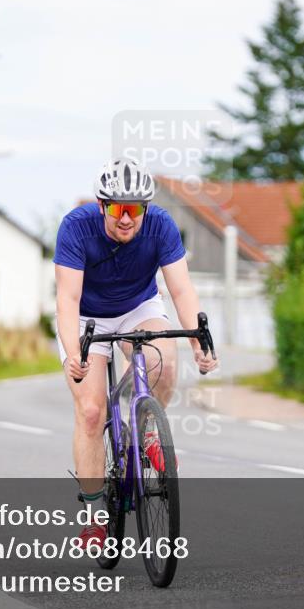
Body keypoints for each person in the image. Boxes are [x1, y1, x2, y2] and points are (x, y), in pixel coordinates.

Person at [53, 158, 219, 548]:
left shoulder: (161, 225)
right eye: (117, 209)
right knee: (91, 411)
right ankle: (94, 517)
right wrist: (75, 350)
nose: (126, 219)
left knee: (163, 356)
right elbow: (67, 298)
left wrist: (198, 343)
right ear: (101, 205)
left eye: (135, 210)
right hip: (85, 316)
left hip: (137, 309)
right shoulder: (75, 228)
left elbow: (180, 290)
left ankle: (147, 433)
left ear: (146, 208)